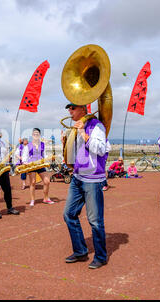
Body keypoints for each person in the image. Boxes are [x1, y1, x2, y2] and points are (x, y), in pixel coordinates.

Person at [62, 103, 110, 269]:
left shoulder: (97, 126)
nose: (70, 111)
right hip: (77, 177)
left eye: (73, 108)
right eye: (69, 109)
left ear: (83, 109)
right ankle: (81, 251)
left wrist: (82, 132)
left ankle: (101, 256)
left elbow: (101, 149)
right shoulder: (75, 128)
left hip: (92, 179)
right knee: (69, 214)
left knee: (95, 221)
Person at [24, 128, 54, 207]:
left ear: (39, 135)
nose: (36, 135)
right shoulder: (28, 145)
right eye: (34, 134)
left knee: (47, 181)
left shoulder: (43, 144)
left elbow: (44, 155)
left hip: (40, 164)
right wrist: (25, 163)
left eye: (37, 134)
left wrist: (47, 160)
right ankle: (32, 200)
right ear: (32, 135)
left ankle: (45, 198)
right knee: (33, 182)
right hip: (32, 165)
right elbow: (25, 156)